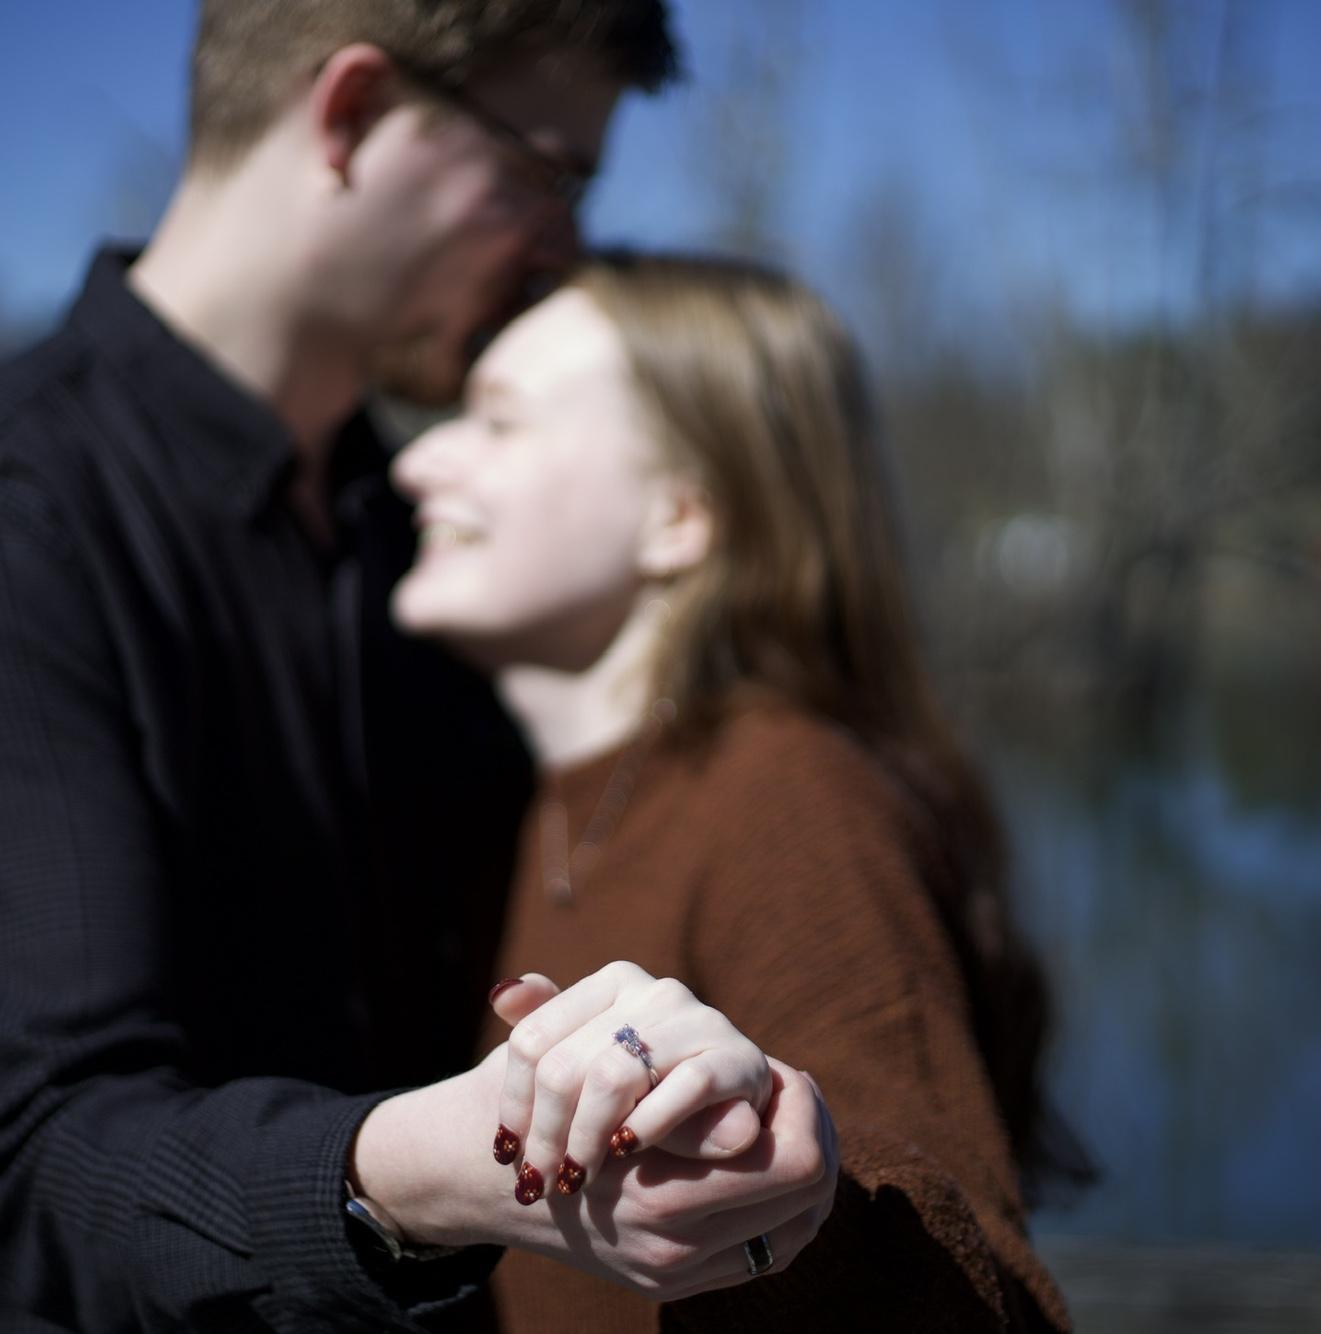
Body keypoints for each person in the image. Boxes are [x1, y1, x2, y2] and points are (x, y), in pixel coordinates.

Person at [0, 7, 841, 1331]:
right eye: (545, 172)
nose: (561, 243)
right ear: (350, 115)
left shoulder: (419, 542)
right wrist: (415, 1171)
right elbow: (37, 1157)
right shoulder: (33, 520)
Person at [390, 252, 1077, 1332]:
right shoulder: (539, 800)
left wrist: (785, 1196)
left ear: (679, 516)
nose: (417, 460)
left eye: (497, 421)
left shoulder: (791, 798)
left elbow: (971, 1282)